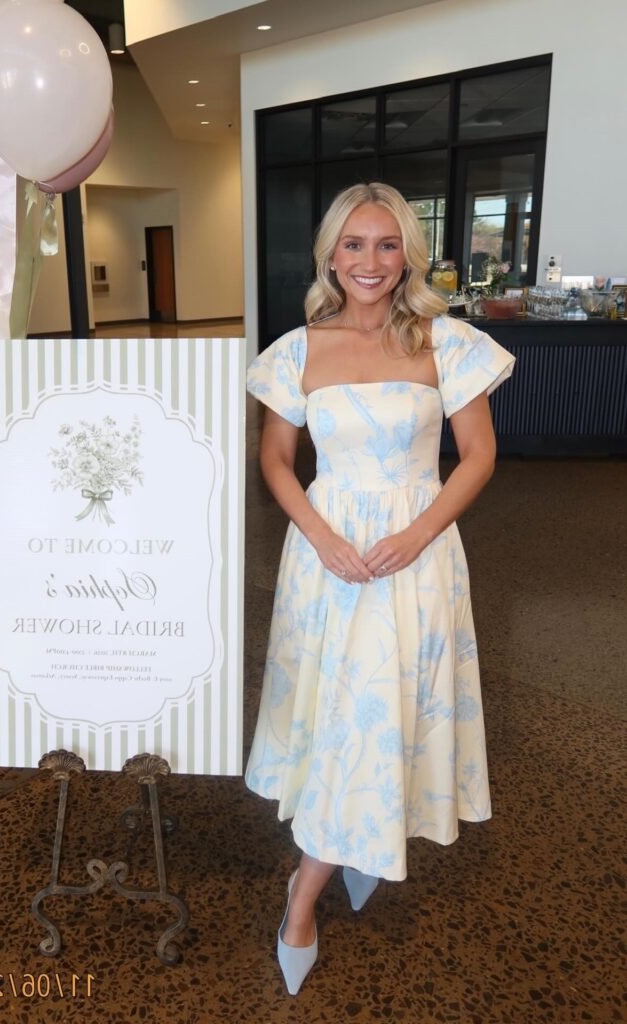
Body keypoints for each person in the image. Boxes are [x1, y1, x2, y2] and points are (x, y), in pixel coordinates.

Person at [245, 182, 515, 995]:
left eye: (387, 244)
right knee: (336, 714)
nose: (370, 261)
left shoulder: (447, 343)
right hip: (325, 556)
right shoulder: (297, 348)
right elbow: (274, 460)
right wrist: (322, 536)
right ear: (330, 253)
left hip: (415, 550)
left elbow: (476, 457)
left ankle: (321, 875)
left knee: (389, 703)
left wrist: (416, 532)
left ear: (408, 254)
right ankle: (318, 876)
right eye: (354, 245)